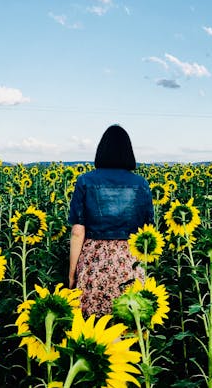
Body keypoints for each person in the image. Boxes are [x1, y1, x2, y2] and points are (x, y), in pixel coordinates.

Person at [68, 124, 154, 317]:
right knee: (131, 320)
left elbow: (77, 231)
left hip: (95, 260)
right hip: (129, 260)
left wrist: (72, 272)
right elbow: (149, 229)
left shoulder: (85, 181)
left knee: (94, 326)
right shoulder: (141, 184)